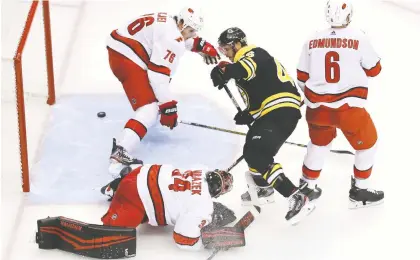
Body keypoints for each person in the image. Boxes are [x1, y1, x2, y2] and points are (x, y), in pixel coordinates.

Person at [209, 27, 320, 224]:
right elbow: (261, 93)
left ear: (237, 44)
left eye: (226, 48)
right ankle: (262, 188)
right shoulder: (245, 70)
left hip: (280, 111)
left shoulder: (252, 52)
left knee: (256, 153)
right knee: (251, 147)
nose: (224, 53)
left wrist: (227, 71)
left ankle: (296, 196)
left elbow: (247, 67)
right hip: (275, 113)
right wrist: (249, 114)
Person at [106, 7, 220, 176]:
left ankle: (132, 136)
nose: (193, 35)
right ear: (181, 23)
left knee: (157, 97)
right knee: (150, 109)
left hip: (122, 49)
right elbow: (157, 77)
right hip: (126, 58)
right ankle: (121, 152)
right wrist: (168, 107)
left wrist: (199, 45)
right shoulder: (172, 39)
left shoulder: (169, 21)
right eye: (191, 30)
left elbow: (174, 39)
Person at [296, 0, 384, 208]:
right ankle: (359, 191)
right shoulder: (359, 37)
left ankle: (307, 186)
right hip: (349, 110)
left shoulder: (312, 38)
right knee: (368, 145)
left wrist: (314, 96)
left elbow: (301, 76)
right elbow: (375, 70)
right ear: (349, 15)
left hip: (317, 110)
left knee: (318, 145)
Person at [100, 164, 239, 250]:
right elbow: (183, 239)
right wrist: (207, 242)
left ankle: (116, 185)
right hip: (136, 197)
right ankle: (115, 204)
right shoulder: (202, 205)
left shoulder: (200, 169)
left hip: (140, 172)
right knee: (114, 237)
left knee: (135, 190)